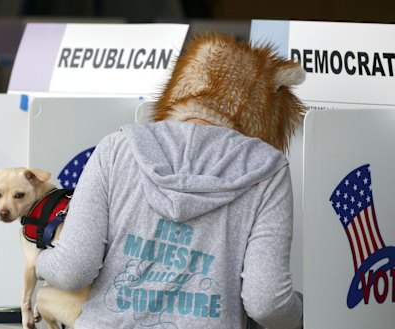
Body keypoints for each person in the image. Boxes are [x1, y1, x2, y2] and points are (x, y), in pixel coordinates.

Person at [36, 33, 305, 329]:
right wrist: (301, 313)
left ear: (182, 85)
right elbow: (266, 302)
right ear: (265, 109)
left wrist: (37, 260)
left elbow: (73, 268)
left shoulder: (117, 148)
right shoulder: (267, 170)